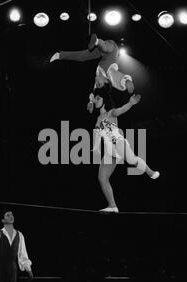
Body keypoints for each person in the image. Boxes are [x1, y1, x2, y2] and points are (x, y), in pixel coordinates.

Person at [91, 84, 160, 213]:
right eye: (95, 98)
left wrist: (130, 103)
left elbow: (121, 110)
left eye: (98, 98)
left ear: (105, 99)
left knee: (132, 160)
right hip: (109, 151)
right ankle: (112, 206)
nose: (96, 100)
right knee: (102, 177)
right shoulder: (98, 118)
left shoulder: (111, 113)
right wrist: (95, 147)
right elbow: (96, 133)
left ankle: (150, 172)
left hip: (118, 143)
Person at [49, 34, 135, 113]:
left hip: (101, 53)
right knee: (105, 48)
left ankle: (59, 55)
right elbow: (119, 80)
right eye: (99, 83)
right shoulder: (110, 74)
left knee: (82, 57)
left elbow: (94, 92)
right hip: (112, 50)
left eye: (97, 84)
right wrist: (127, 81)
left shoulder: (99, 81)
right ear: (106, 80)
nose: (96, 81)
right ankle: (97, 41)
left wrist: (91, 102)